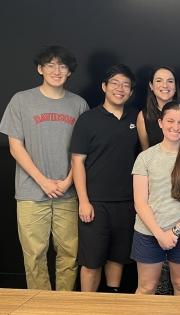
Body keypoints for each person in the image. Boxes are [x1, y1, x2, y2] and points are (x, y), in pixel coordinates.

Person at [0, 46, 88, 290]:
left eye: (62, 66)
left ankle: (63, 305)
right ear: (40, 69)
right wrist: (43, 181)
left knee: (70, 255)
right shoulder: (21, 100)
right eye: (50, 65)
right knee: (35, 256)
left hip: (67, 193)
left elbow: (82, 150)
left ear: (69, 72)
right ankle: (40, 306)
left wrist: (69, 180)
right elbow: (15, 147)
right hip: (31, 192)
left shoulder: (79, 104)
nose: (56, 71)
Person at [70, 64, 138, 293]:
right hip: (95, 203)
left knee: (117, 258)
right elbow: (77, 162)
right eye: (115, 83)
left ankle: (113, 301)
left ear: (130, 91)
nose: (120, 89)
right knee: (91, 261)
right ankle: (86, 307)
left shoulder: (136, 119)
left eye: (126, 85)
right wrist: (84, 201)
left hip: (127, 203)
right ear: (104, 87)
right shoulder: (87, 119)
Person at [131, 100, 180, 296]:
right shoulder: (145, 158)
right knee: (146, 288)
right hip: (149, 233)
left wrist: (175, 232)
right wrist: (160, 234)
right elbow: (140, 203)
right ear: (160, 123)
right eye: (170, 121)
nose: (176, 127)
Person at [137, 66, 180, 150]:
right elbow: (146, 152)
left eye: (170, 81)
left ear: (175, 86)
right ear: (151, 86)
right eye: (159, 81)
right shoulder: (143, 116)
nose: (165, 85)